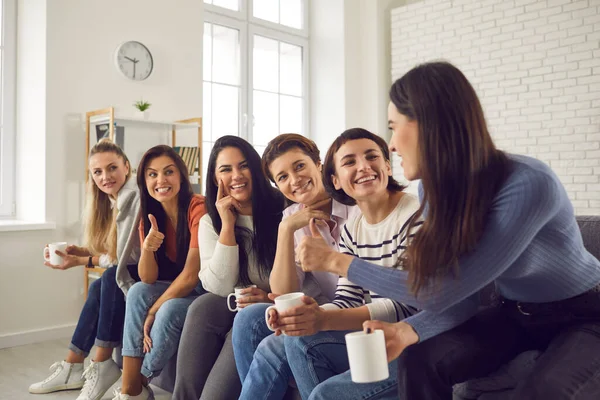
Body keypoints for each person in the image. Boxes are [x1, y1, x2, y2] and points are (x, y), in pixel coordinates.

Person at [297, 61, 600, 399]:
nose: (392, 145)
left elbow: (440, 291)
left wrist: (338, 262)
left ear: (429, 126)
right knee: (417, 358)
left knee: (542, 390)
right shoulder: (432, 190)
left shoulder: (528, 184)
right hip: (513, 312)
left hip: (585, 315)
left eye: (394, 127)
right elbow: (463, 298)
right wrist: (408, 331)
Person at [237, 129, 419, 400]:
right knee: (251, 320)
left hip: (399, 330)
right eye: (283, 177)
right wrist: (286, 230)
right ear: (336, 177)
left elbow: (412, 300)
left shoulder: (383, 212)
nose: (363, 168)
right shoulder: (350, 227)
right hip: (362, 319)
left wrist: (319, 317)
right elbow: (336, 296)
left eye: (300, 166)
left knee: (288, 343)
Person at [171, 136, 285, 400]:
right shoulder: (212, 221)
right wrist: (228, 225)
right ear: (215, 178)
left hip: (268, 306)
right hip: (234, 301)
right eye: (226, 169)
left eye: (243, 166)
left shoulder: (283, 210)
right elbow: (220, 286)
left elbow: (301, 277)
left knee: (244, 321)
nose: (237, 176)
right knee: (203, 305)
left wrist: (268, 297)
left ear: (257, 169)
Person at [30, 139, 141, 400]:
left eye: (112, 168)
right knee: (99, 285)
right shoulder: (114, 199)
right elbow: (114, 252)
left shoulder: (132, 195)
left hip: (151, 272)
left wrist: (81, 261)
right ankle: (73, 365)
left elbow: (123, 260)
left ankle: (99, 363)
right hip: (129, 269)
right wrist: (81, 252)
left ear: (127, 166)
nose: (105, 177)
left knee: (111, 279)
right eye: (97, 172)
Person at [112, 145, 206, 400]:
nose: (161, 180)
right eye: (152, 174)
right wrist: (147, 249)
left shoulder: (198, 208)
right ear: (144, 181)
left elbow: (191, 276)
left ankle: (139, 382)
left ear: (181, 176)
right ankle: (129, 390)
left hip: (205, 290)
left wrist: (153, 310)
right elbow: (147, 279)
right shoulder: (151, 215)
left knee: (168, 310)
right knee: (138, 291)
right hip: (178, 286)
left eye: (168, 172)